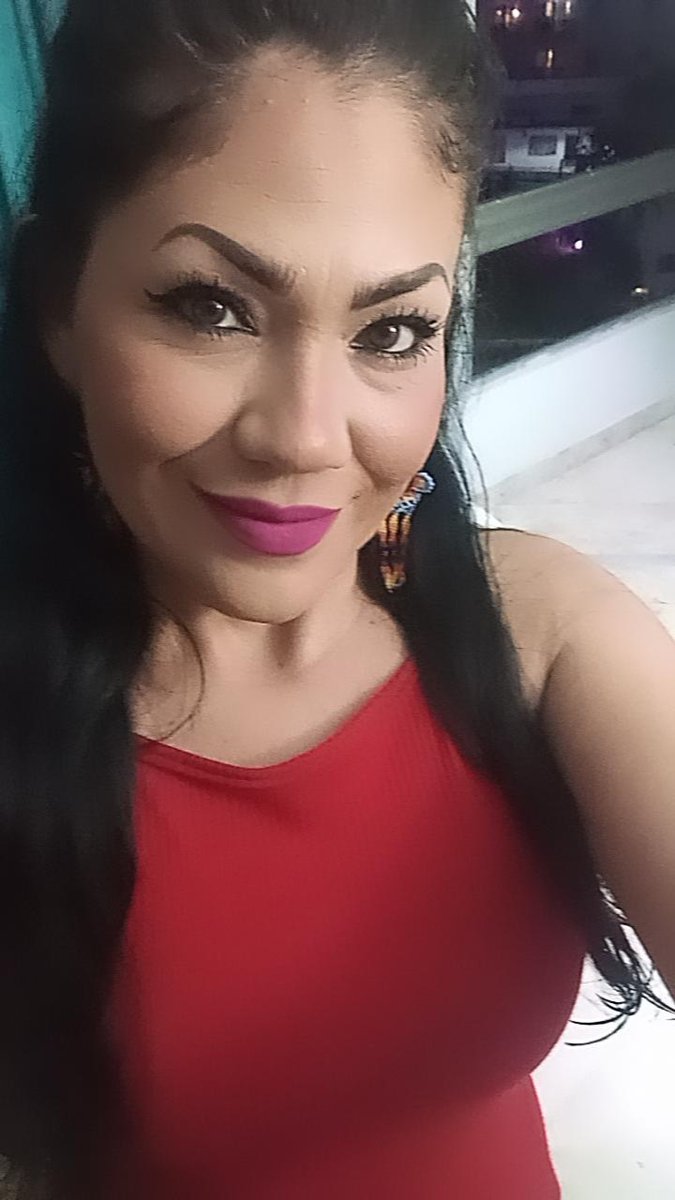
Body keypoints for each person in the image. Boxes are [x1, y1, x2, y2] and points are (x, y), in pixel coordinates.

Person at [1, 2, 674, 1197]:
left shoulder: (540, 635)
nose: (306, 438)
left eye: (393, 330)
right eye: (211, 306)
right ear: (59, 303)